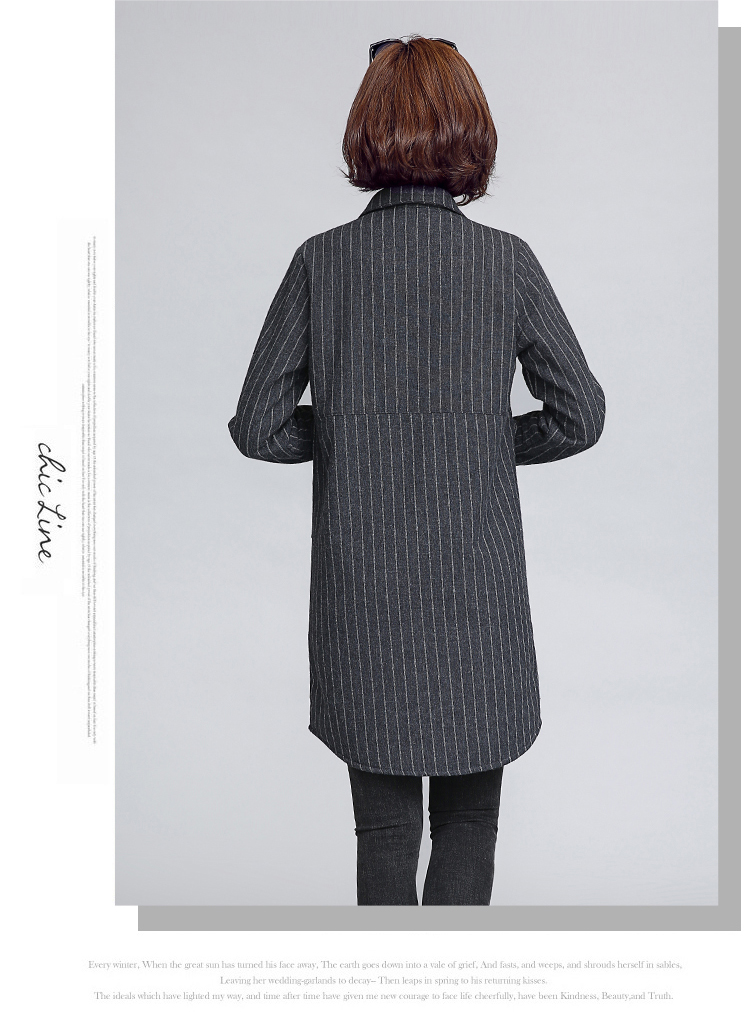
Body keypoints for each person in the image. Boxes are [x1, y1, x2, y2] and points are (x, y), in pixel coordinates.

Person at [228, 36, 605, 905]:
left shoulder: (322, 261)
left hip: (364, 610)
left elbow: (258, 427)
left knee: (384, 832)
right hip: (479, 606)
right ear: (473, 131)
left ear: (365, 130)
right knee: (471, 823)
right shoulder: (506, 261)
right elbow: (579, 416)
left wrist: (357, 436)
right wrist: (477, 442)